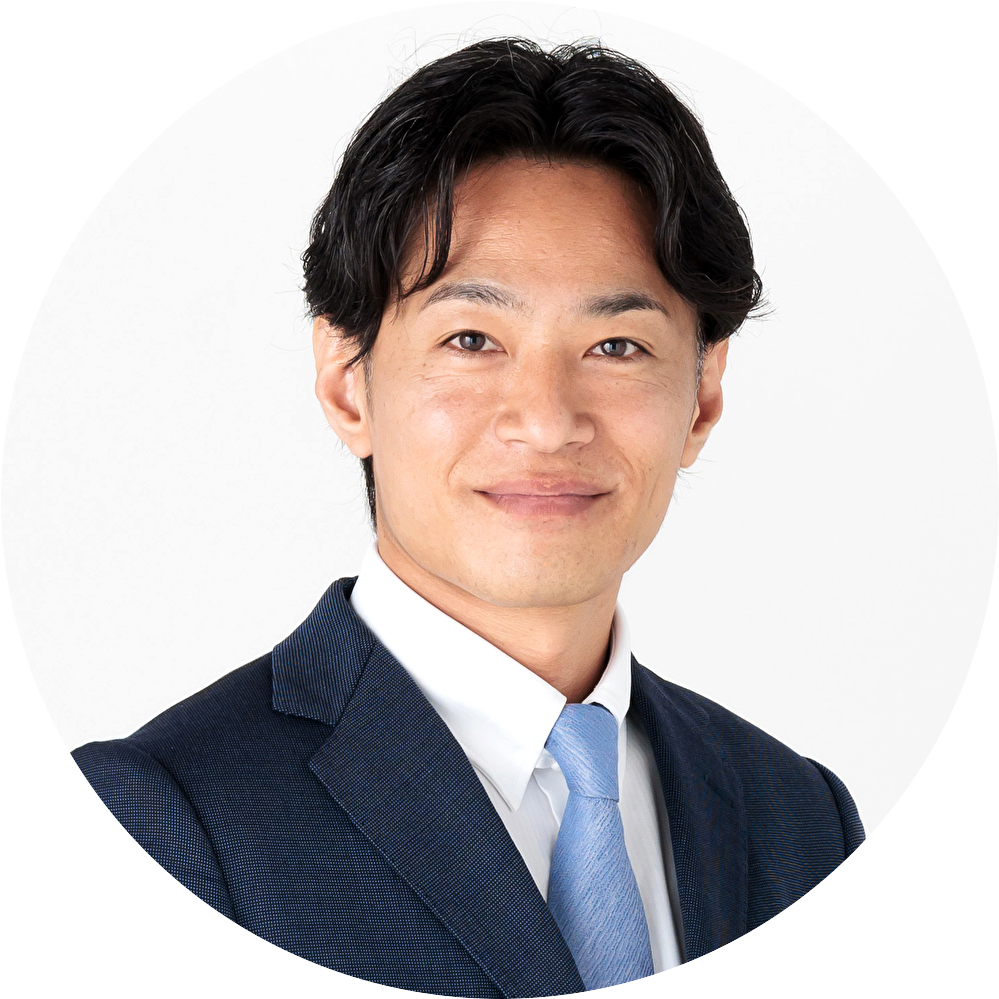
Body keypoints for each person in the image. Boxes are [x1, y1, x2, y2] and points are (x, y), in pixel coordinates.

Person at [72, 38, 863, 992]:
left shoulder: (798, 818)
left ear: (701, 398)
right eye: (472, 338)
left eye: (616, 345)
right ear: (347, 382)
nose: (547, 420)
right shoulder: (172, 818)